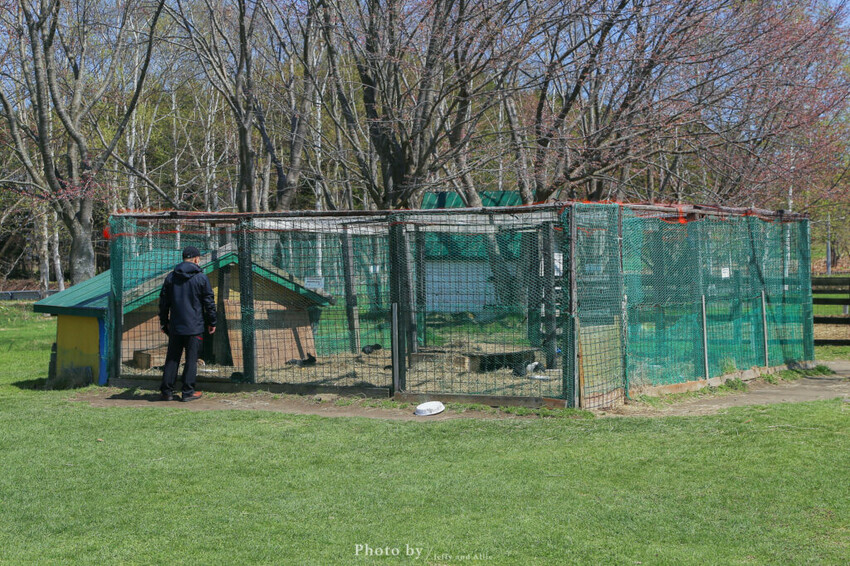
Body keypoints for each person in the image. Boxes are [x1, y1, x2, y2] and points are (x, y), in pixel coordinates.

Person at [158, 246, 217, 401]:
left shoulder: (171, 277)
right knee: (191, 359)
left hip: (176, 326)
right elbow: (209, 302)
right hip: (194, 326)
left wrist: (164, 323)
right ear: (197, 259)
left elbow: (163, 303)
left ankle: (167, 391)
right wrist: (212, 321)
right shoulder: (201, 278)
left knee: (172, 358)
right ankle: (187, 392)